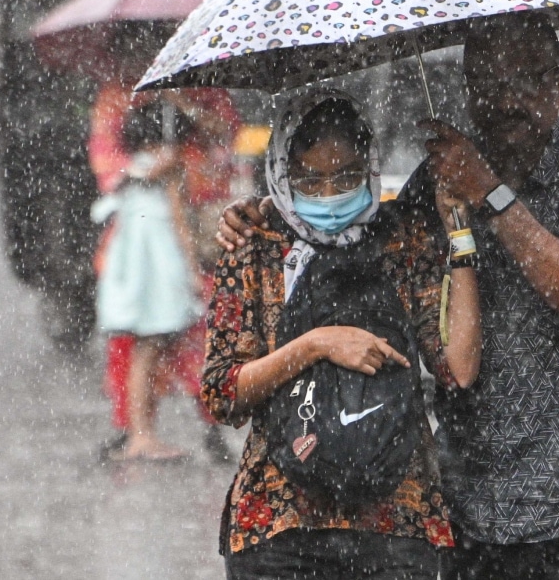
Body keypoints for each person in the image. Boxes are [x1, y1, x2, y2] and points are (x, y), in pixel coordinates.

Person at [217, 14, 559, 579]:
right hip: (477, 507)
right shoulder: (439, 180)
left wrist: (490, 196)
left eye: (525, 81)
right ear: (468, 90)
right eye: (489, 84)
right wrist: (261, 218)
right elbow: (353, 238)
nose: (508, 101)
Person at [202, 90, 481, 579]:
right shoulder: (254, 246)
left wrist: (460, 237)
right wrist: (316, 344)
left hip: (397, 523)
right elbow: (223, 395)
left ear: (369, 166)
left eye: (347, 176)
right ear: (284, 175)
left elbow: (458, 369)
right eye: (311, 179)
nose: (330, 195)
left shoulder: (404, 241)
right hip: (279, 527)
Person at [90, 21, 242, 462]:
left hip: (203, 227)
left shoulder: (203, 89)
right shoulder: (116, 97)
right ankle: (134, 426)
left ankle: (213, 425)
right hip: (150, 236)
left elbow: (224, 136)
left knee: (209, 333)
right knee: (139, 339)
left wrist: (182, 104)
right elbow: (107, 160)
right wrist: (148, 168)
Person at [95, 102, 205, 461]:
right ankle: (142, 436)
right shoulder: (168, 170)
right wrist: (192, 273)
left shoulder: (130, 173)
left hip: (133, 275)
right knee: (150, 350)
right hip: (158, 275)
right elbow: (180, 226)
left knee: (144, 352)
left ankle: (138, 432)